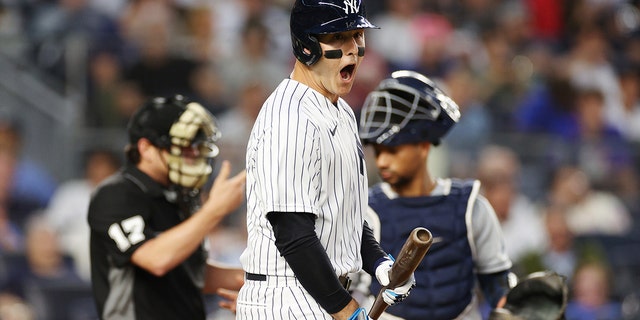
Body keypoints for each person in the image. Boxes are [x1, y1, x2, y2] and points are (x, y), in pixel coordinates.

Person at [236, 1, 415, 319]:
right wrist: (346, 311)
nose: (352, 49)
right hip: (287, 295)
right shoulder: (290, 117)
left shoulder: (341, 111)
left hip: (322, 291)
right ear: (305, 47)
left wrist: (379, 263)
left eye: (357, 35)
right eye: (338, 37)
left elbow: (343, 214)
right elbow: (293, 233)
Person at [357, 70, 514, 319]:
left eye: (393, 150)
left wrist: (517, 307)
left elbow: (497, 282)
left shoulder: (470, 206)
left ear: (423, 145)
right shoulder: (365, 209)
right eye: (377, 151)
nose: (382, 161)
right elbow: (349, 292)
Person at [87, 95, 246, 320]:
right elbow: (156, 259)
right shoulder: (115, 194)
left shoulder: (178, 195)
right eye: (184, 145)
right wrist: (214, 210)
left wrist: (269, 285)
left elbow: (194, 273)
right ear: (146, 148)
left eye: (197, 145)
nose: (193, 153)